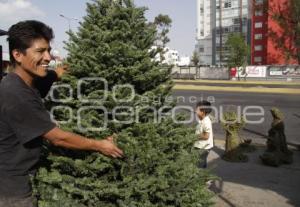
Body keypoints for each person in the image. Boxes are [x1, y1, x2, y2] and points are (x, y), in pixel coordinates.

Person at [0, 20, 123, 207]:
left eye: (48, 50)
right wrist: (100, 145)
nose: (48, 57)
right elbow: (58, 139)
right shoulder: (15, 93)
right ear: (17, 54)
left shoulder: (26, 81)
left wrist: (59, 73)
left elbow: (49, 77)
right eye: (40, 51)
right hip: (12, 190)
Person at [194, 100, 214, 168]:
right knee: (202, 163)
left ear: (203, 112)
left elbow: (206, 136)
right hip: (200, 145)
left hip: (203, 147)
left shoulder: (206, 122)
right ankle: (204, 176)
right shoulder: (201, 119)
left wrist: (193, 137)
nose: (195, 111)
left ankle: (200, 177)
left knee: (199, 164)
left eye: (197, 109)